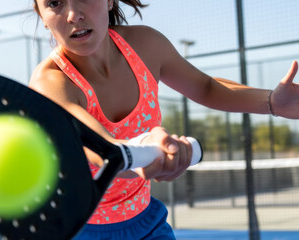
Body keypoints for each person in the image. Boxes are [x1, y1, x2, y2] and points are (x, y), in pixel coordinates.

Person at [29, 0, 299, 239]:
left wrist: (272, 102)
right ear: (41, 15)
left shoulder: (146, 45)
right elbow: (104, 150)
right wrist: (148, 144)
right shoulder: (49, 83)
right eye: (54, 3)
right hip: (75, 229)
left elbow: (204, 87)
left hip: (147, 220)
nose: (73, 14)